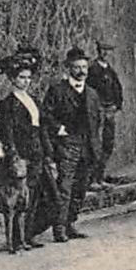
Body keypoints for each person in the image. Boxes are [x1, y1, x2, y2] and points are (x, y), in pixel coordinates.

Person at [0, 45, 57, 251]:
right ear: (12, 79)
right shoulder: (7, 104)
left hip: (38, 155)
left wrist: (49, 154)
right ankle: (17, 239)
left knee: (42, 196)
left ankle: (29, 234)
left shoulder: (34, 101)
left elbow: (42, 128)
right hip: (21, 158)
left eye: (28, 78)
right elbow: (6, 134)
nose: (26, 81)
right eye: (21, 77)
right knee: (20, 199)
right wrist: (13, 157)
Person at [42, 46, 102, 240]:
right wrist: (59, 129)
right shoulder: (57, 90)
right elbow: (46, 115)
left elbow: (97, 120)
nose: (82, 71)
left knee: (81, 187)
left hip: (87, 146)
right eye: (77, 67)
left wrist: (94, 144)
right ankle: (59, 228)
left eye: (84, 67)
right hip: (67, 145)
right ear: (69, 68)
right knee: (64, 188)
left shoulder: (92, 94)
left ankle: (70, 223)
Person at [87, 40, 125, 185]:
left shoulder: (110, 70)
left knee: (108, 143)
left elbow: (117, 88)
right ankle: (93, 179)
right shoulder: (93, 69)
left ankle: (100, 176)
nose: (105, 53)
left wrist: (117, 104)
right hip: (98, 110)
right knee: (95, 143)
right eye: (103, 49)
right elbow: (90, 92)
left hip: (110, 110)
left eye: (108, 50)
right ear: (98, 50)